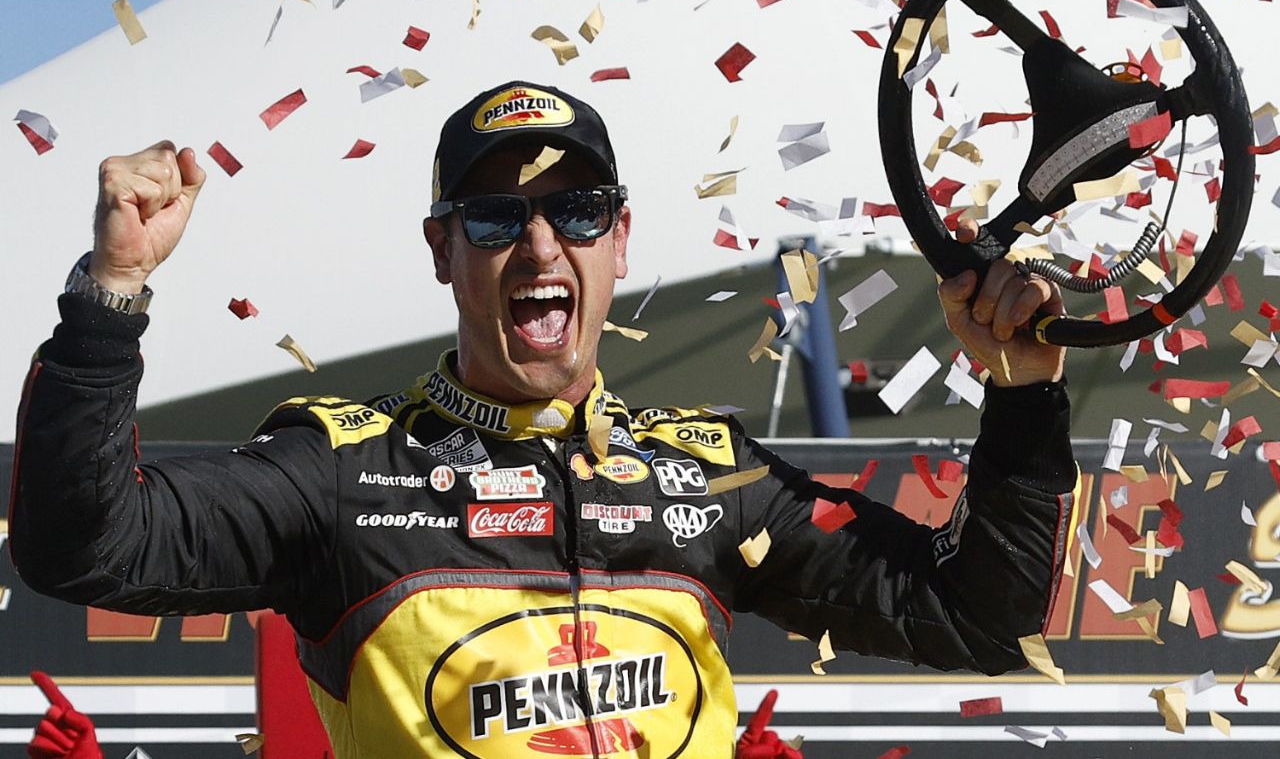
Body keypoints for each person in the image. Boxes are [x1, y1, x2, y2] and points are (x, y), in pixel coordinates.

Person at [10, 81, 1077, 759]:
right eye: (493, 215)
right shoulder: (341, 468)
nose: (537, 244)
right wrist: (109, 299)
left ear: (617, 241)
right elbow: (82, 547)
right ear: (442, 250)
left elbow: (976, 614)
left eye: (573, 210)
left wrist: (1022, 395)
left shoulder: (709, 476)